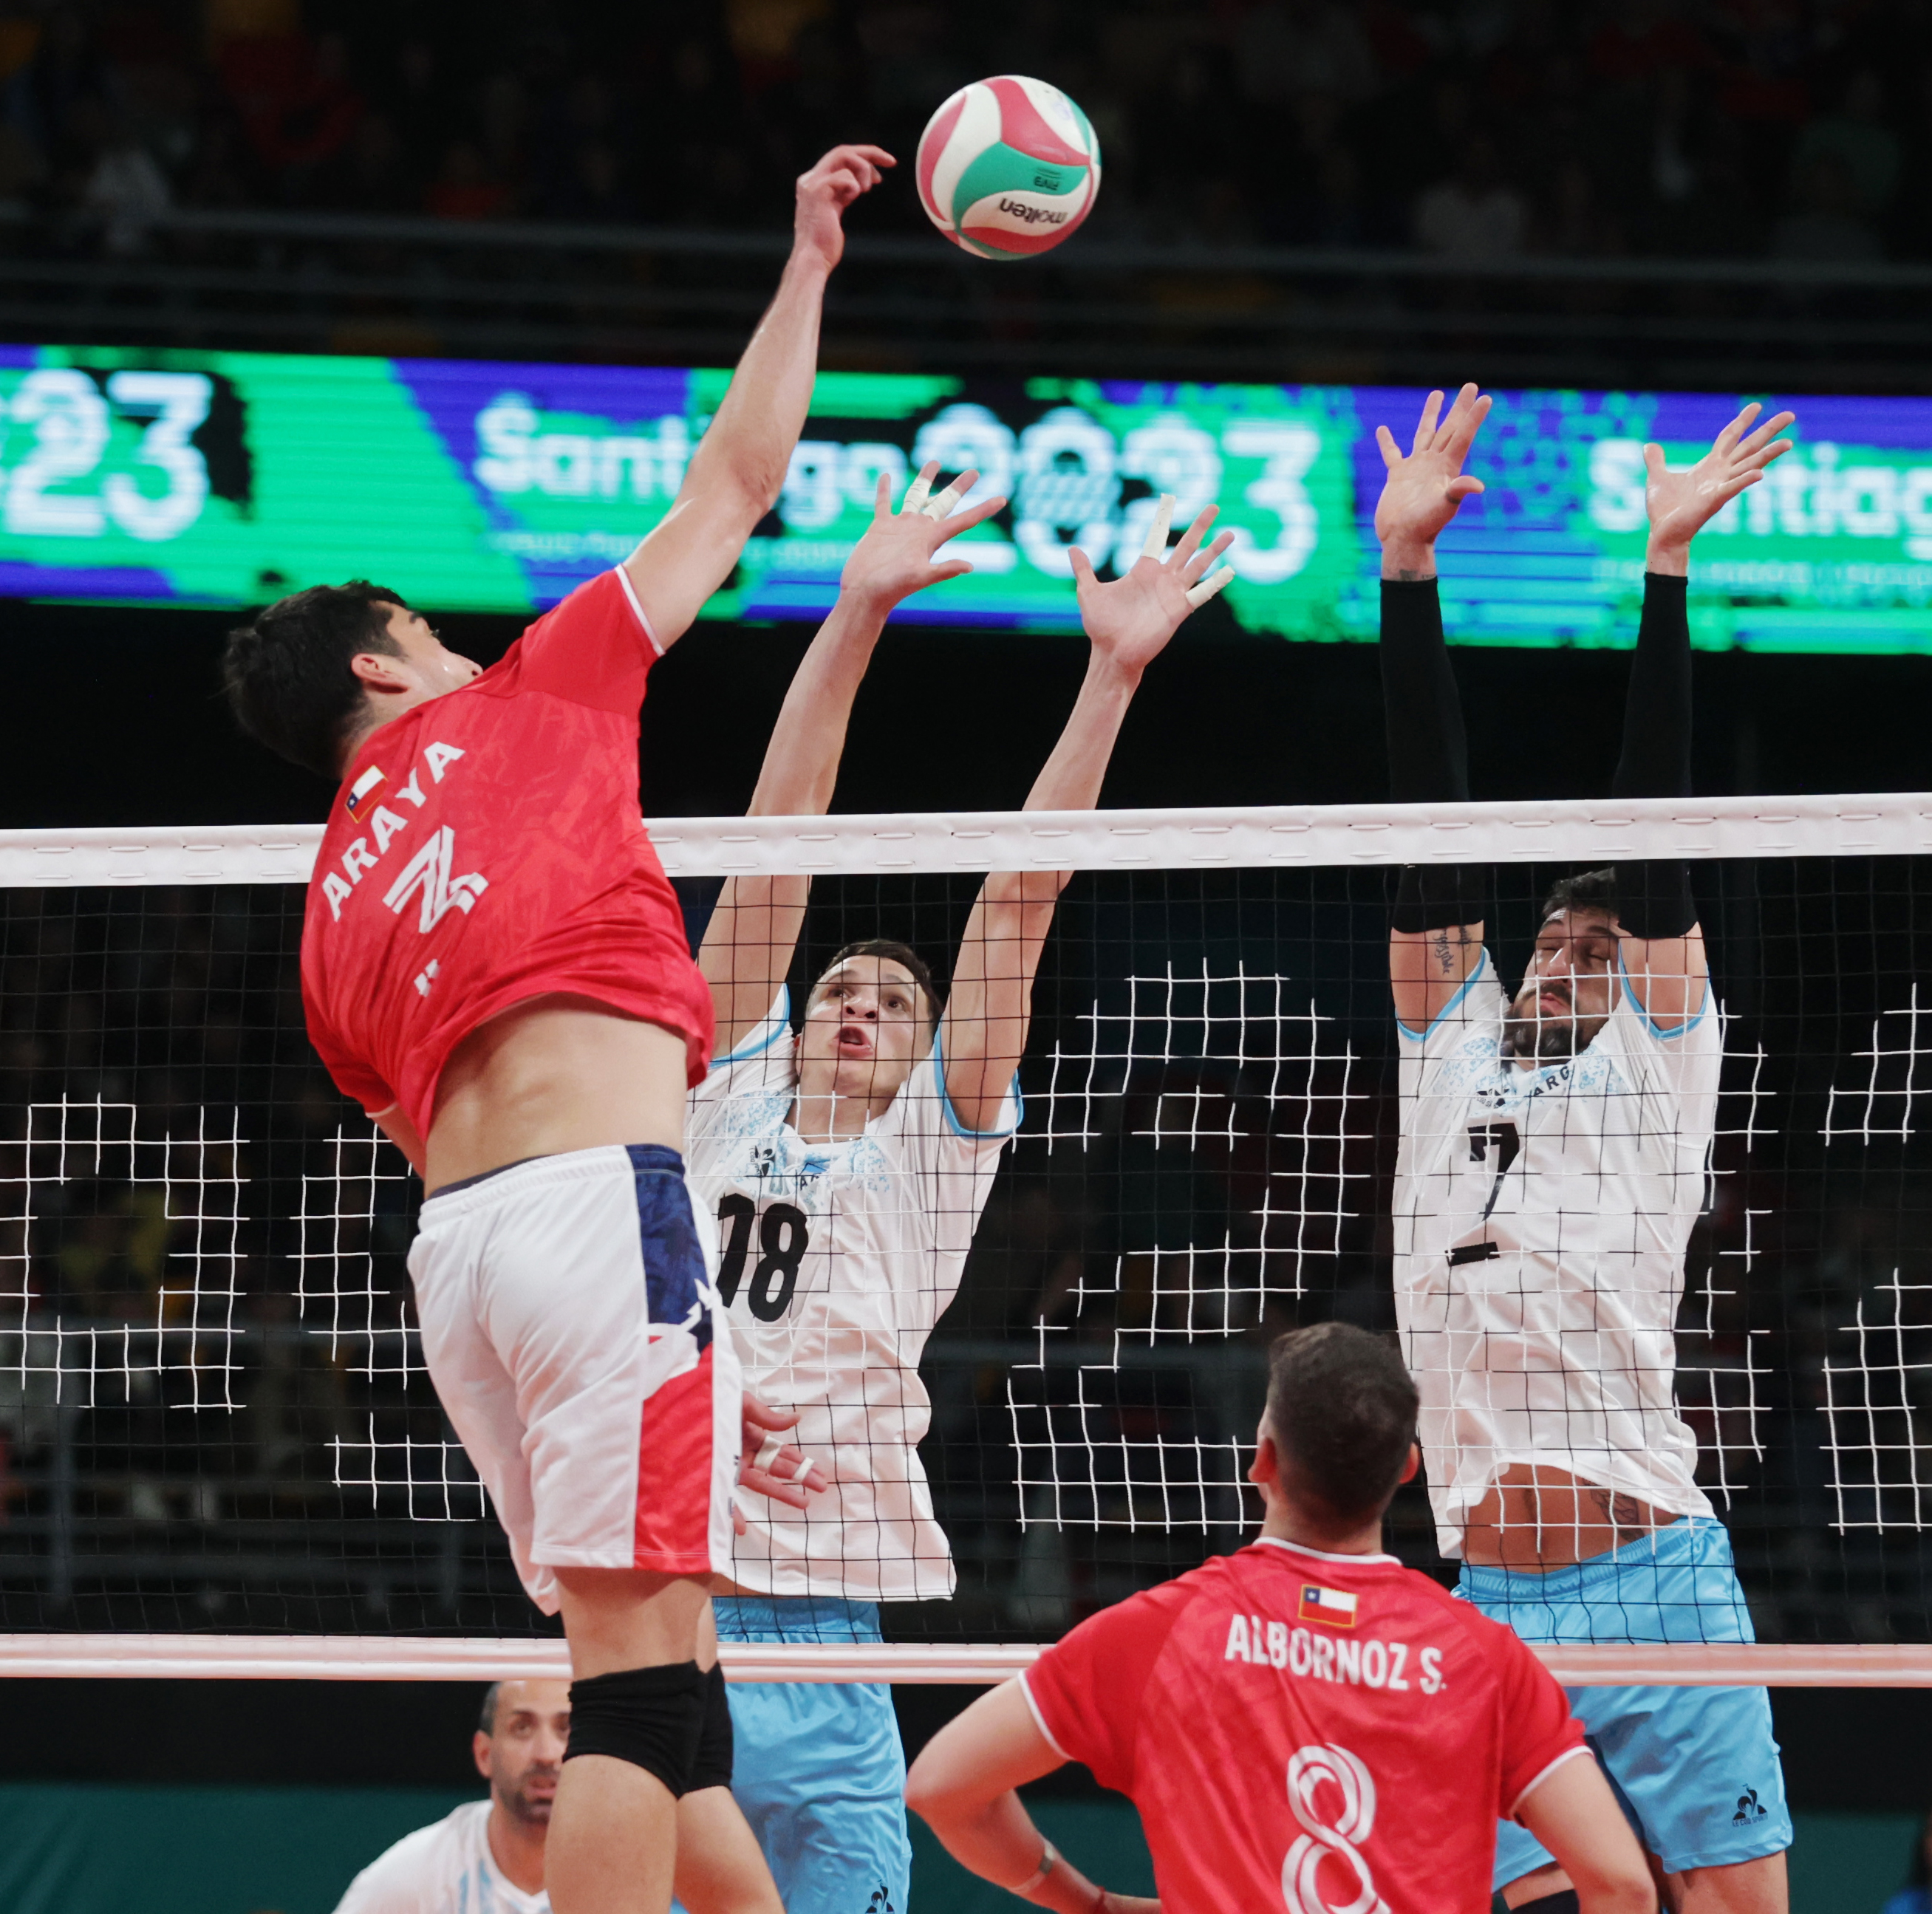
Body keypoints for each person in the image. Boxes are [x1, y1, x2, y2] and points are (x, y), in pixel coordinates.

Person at [221, 137, 902, 1914]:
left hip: (464, 1257)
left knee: (658, 1658)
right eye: (426, 635)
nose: (452, 646)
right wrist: (809, 257)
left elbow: (407, 1124)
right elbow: (740, 479)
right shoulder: (534, 690)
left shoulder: (326, 914)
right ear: (381, 664)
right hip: (607, 1213)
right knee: (644, 1684)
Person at [684, 479, 1235, 1914]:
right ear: (793, 1023)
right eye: (839, 992)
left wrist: (1110, 676)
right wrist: (856, 610)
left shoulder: (927, 1149)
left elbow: (1018, 900)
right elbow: (774, 836)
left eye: (893, 999)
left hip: (822, 1616)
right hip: (663, 1602)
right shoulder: (715, 1096)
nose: (861, 1004)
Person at [1370, 384, 1798, 1914]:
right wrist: (1404, 582)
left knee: (1744, 1906)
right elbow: (1426, 829)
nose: (1564, 958)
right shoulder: (1448, 1047)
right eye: (1552, 937)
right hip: (1489, 1595)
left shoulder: (1660, 1058)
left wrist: (1662, 574)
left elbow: (1656, 826)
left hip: (1657, 1576)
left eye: (1599, 945)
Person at [902, 1322, 1657, 1914]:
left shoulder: (1162, 1632)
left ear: (1261, 1458)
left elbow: (941, 1785)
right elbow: (1622, 1884)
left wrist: (1087, 1901)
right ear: (1404, 1473)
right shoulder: (1484, 1658)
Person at [335, 1677, 570, 1914]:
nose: (546, 1754)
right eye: (522, 1727)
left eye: (566, 1728)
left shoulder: (608, 1871)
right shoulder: (417, 1875)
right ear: (484, 1755)